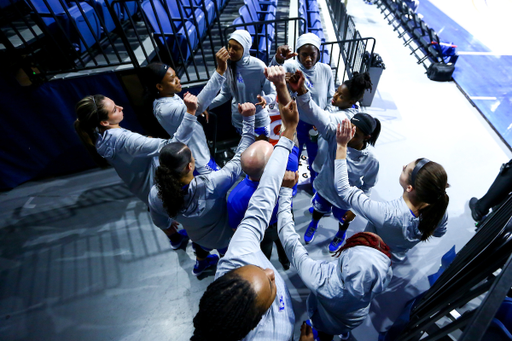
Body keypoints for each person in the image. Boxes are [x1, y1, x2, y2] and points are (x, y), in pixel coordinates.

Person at [191, 65, 297, 341]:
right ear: (254, 322)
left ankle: (282, 254)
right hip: (277, 225)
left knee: (270, 245)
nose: (269, 274)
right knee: (280, 244)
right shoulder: (287, 167)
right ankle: (285, 257)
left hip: (262, 233)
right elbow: (288, 136)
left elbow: (245, 224)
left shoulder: (237, 200)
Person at [277, 164, 393, 340]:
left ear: (347, 253)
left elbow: (289, 240)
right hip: (350, 320)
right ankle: (341, 331)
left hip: (324, 318)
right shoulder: (381, 276)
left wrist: (285, 192)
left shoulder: (321, 278)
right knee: (335, 330)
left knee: (323, 327)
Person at [74, 93, 198, 248]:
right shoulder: (124, 139)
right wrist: (190, 113)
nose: (120, 108)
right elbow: (174, 145)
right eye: (114, 110)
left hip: (141, 187)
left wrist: (146, 142)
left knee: (160, 216)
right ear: (104, 121)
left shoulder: (99, 136)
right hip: (158, 185)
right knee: (189, 216)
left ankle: (175, 238)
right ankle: (200, 250)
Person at [148, 102, 256, 276]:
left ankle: (201, 264)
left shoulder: (156, 194)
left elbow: (159, 221)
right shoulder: (211, 185)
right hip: (223, 239)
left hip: (196, 237)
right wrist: (249, 119)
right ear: (191, 166)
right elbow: (239, 159)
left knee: (201, 246)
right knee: (229, 258)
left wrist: (168, 225)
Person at [288, 71, 379, 253]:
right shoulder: (335, 135)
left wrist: (357, 208)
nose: (349, 135)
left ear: (366, 137)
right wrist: (302, 92)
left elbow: (368, 186)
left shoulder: (371, 160)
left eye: (356, 134)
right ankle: (314, 223)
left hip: (345, 201)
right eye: (349, 129)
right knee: (318, 210)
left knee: (343, 220)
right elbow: (315, 114)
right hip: (324, 188)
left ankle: (340, 234)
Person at [333, 119, 450, 261]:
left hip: (368, 256)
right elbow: (439, 233)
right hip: (394, 257)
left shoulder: (387, 214)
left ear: (409, 187)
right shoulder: (438, 206)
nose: (403, 166)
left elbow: (344, 189)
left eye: (406, 169)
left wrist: (341, 146)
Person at [146, 47, 229, 175]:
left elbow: (194, 109)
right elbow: (198, 105)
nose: (178, 80)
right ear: (159, 86)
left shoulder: (169, 95)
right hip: (199, 163)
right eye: (172, 79)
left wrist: (196, 111)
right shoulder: (164, 109)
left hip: (201, 154)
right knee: (220, 188)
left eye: (176, 76)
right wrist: (220, 71)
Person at [270, 33, 335, 184]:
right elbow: (272, 72)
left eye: (312, 55)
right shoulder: (291, 67)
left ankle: (315, 185)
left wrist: (325, 117)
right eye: (304, 54)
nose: (308, 59)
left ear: (318, 53)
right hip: (295, 124)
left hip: (317, 125)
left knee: (316, 158)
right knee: (292, 159)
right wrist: (279, 59)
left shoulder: (325, 70)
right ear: (298, 53)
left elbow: (330, 98)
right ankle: (289, 187)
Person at [226, 139, 299, 270]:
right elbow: (293, 141)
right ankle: (286, 262)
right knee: (285, 243)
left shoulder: (235, 198)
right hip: (285, 218)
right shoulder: (288, 174)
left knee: (263, 253)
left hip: (262, 230)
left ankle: (264, 268)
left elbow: (237, 230)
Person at [209, 30, 276, 139]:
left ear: (245, 49)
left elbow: (272, 93)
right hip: (239, 121)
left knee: (261, 153)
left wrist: (266, 100)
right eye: (229, 46)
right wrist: (207, 105)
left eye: (235, 48)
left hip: (258, 121)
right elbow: (225, 94)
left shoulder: (259, 66)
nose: (230, 51)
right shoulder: (227, 67)